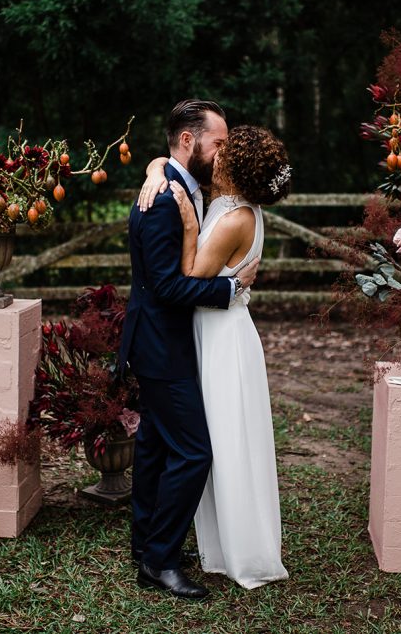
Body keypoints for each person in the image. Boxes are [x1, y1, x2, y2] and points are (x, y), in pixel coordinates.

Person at [116, 100, 259, 600]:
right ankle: (159, 562)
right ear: (186, 141)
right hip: (161, 346)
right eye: (218, 143)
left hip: (168, 343)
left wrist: (154, 165)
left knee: (155, 445)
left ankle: (145, 544)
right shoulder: (163, 197)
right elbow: (164, 287)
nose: (224, 152)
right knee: (194, 452)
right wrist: (229, 290)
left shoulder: (182, 186)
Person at [138, 125, 292, 589]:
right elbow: (172, 162)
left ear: (235, 166)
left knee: (222, 446)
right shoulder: (221, 200)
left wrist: (188, 223)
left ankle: (237, 548)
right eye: (218, 143)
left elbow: (189, 274)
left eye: (226, 149)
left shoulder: (234, 218)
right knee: (209, 443)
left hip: (223, 339)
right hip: (209, 332)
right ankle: (186, 544)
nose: (217, 152)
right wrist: (155, 167)